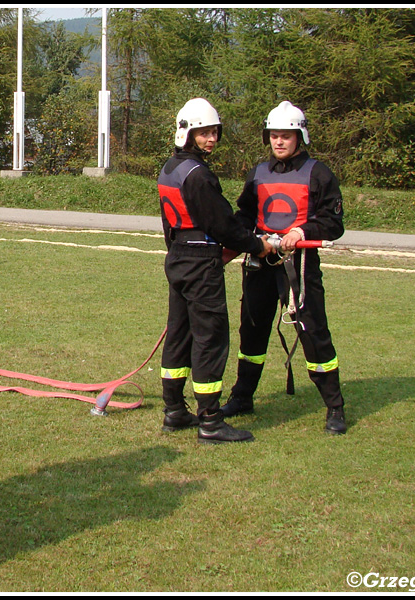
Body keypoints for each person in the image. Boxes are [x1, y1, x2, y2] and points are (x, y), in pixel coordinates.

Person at [221, 101, 347, 435]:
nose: (279, 142)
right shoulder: (257, 173)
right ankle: (242, 397)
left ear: (299, 136)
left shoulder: (319, 173)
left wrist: (301, 232)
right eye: (274, 135)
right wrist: (231, 240)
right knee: (252, 331)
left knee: (313, 333)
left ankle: (335, 406)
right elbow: (246, 216)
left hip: (299, 266)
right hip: (260, 263)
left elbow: (333, 222)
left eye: (286, 136)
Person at [157, 98, 273, 444]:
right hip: (200, 263)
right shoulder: (198, 176)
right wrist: (257, 245)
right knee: (210, 338)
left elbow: (169, 223)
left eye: (214, 132)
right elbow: (222, 225)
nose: (210, 139)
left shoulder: (170, 169)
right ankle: (210, 419)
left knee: (179, 335)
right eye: (204, 133)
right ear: (187, 134)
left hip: (178, 257)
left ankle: (175, 411)